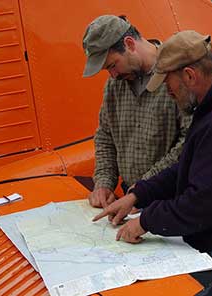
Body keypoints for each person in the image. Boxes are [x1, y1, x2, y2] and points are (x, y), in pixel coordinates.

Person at [93, 30, 212, 274]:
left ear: (189, 76)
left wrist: (147, 221)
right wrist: (139, 195)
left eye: (168, 83)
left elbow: (202, 204)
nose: (168, 92)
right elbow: (187, 167)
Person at [82, 15, 191, 208]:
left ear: (130, 44)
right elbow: (105, 136)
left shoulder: (178, 76)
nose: (113, 75)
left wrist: (141, 189)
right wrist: (104, 184)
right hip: (131, 201)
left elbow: (188, 143)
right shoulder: (114, 85)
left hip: (171, 202)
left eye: (112, 65)